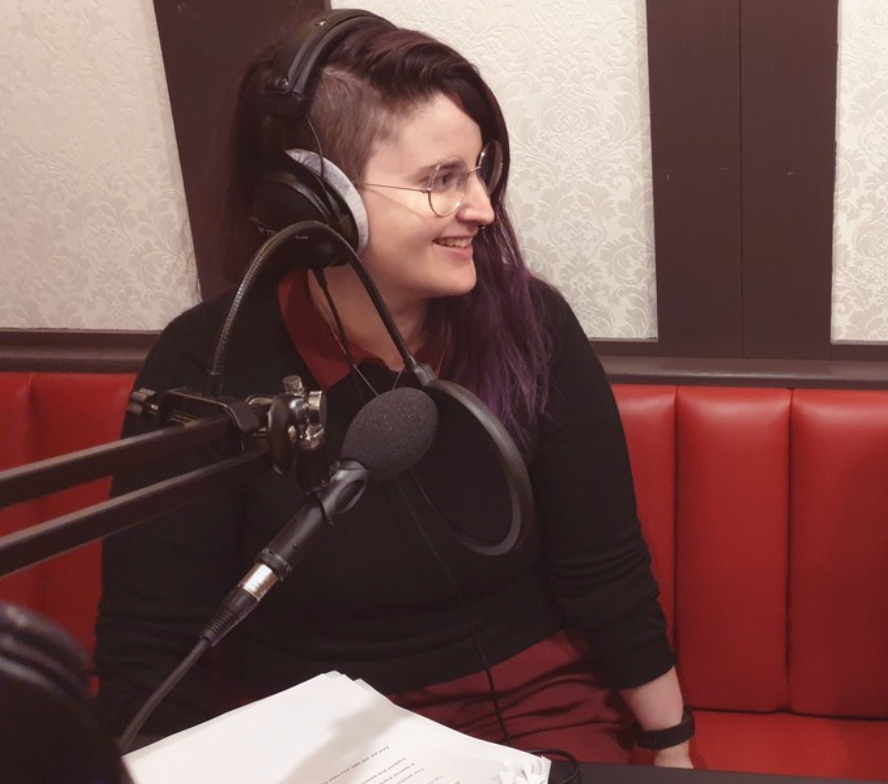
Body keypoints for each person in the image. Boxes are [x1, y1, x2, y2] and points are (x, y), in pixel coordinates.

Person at [94, 9, 694, 768]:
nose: (480, 206)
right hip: (305, 728)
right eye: (442, 179)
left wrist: (672, 749)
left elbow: (603, 571)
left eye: (478, 171)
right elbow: (150, 641)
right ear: (316, 201)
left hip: (525, 709)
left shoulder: (533, 326)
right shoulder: (204, 363)